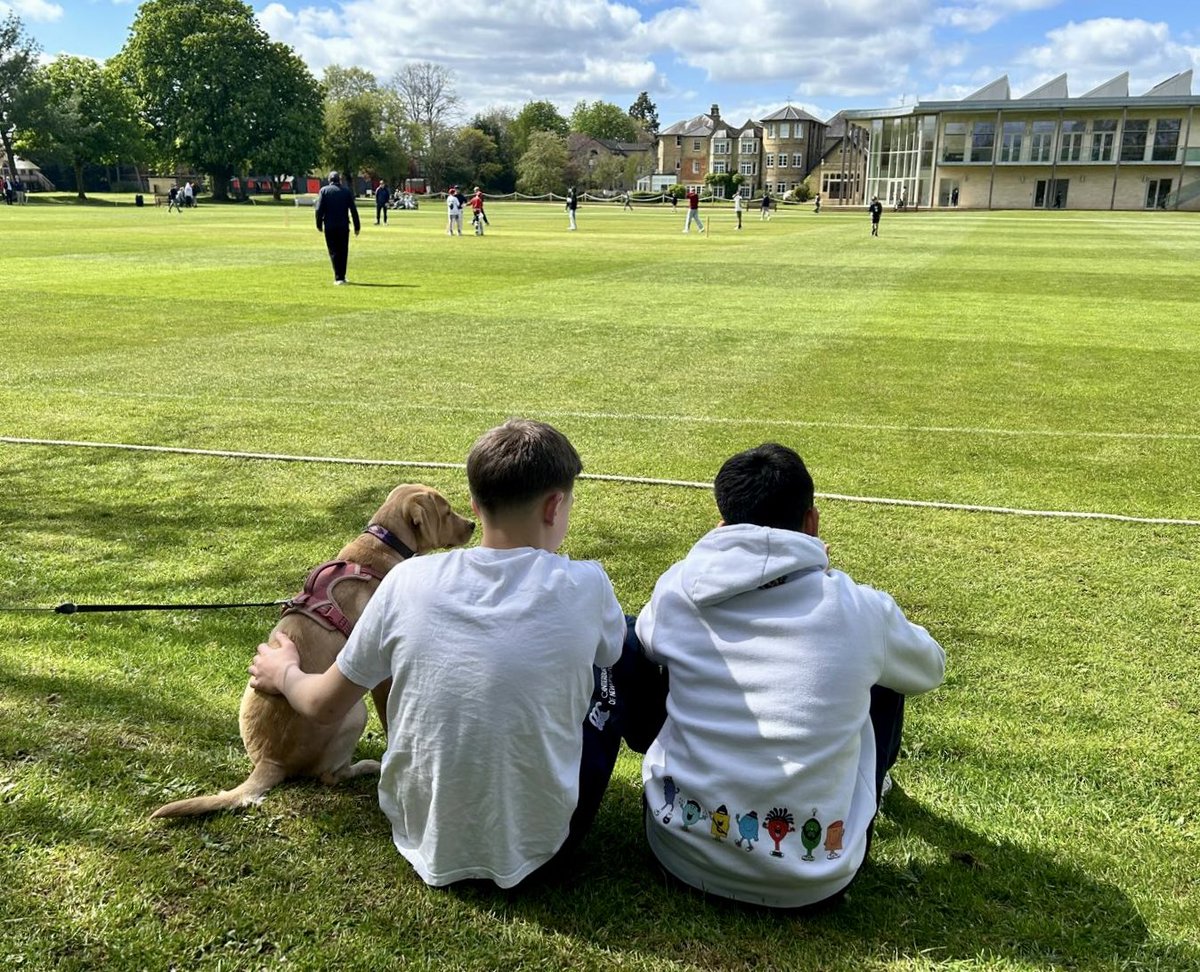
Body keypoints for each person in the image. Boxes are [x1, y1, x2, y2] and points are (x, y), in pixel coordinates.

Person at [248, 418, 662, 889]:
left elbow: (323, 704)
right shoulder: (587, 583)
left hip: (420, 836)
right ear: (554, 507)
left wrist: (285, 673)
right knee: (623, 645)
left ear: (475, 505)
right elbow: (609, 656)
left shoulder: (404, 581)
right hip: (545, 850)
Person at [634, 443, 945, 910]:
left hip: (679, 853)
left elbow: (643, 640)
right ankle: (869, 791)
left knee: (668, 659)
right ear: (812, 522)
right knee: (886, 676)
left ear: (722, 523)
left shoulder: (679, 587)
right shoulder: (859, 609)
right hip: (811, 881)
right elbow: (929, 668)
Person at [314, 170, 361, 285]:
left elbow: (319, 210)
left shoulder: (324, 191)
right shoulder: (346, 191)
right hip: (343, 226)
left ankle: (338, 277)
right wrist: (357, 226)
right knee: (343, 251)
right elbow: (353, 210)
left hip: (329, 226)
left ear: (329, 180)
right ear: (339, 180)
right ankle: (342, 276)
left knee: (333, 251)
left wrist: (319, 225)